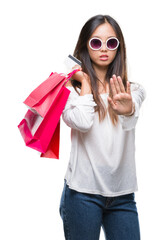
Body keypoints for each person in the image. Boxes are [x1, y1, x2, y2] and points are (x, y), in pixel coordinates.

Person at [59, 14, 146, 240]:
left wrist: (126, 108)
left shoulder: (133, 90)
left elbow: (130, 116)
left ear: (119, 47)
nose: (104, 49)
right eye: (96, 42)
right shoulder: (69, 92)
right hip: (82, 195)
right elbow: (82, 122)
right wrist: (86, 83)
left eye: (111, 42)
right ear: (85, 46)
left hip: (123, 196)